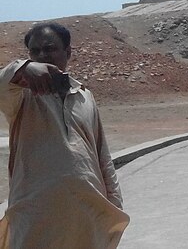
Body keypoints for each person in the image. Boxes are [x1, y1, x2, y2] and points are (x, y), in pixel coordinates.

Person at [0, 22, 129, 248]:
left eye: (49, 49)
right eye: (34, 51)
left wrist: (114, 203)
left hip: (86, 212)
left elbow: (102, 155)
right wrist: (22, 67)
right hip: (35, 216)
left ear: (67, 52)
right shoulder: (21, 97)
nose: (42, 55)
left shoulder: (84, 96)